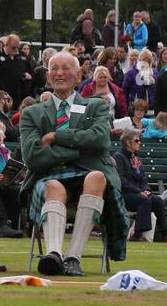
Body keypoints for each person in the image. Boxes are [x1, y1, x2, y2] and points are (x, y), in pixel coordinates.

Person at [19, 49, 128, 275]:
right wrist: (79, 150)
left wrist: (58, 137)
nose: (59, 73)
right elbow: (33, 157)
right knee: (53, 186)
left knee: (97, 177)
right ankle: (55, 255)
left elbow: (99, 139)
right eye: (54, 69)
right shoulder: (32, 113)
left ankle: (72, 259)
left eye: (65, 68)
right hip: (49, 177)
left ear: (78, 76)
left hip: (91, 175)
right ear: (48, 76)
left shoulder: (96, 105)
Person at [114, 130, 167, 242]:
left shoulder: (136, 158)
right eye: (137, 140)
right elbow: (121, 180)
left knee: (158, 200)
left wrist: (146, 189)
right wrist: (138, 191)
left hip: (138, 193)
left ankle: (164, 233)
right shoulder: (118, 157)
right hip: (125, 194)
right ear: (128, 143)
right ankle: (137, 235)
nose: (140, 143)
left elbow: (143, 178)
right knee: (144, 200)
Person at [0, 33, 33, 108]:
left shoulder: (22, 56)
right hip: (1, 99)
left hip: (20, 98)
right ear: (6, 45)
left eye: (18, 47)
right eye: (13, 48)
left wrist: (29, 77)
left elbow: (31, 73)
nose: (16, 50)